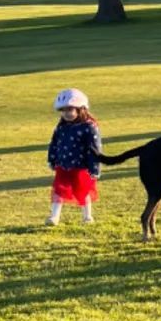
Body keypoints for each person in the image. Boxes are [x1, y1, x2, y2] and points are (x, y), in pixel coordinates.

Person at [46, 88, 102, 224]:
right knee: (59, 190)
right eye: (64, 110)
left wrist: (94, 167)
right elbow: (54, 143)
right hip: (63, 166)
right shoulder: (61, 127)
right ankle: (54, 216)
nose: (67, 113)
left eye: (70, 109)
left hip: (81, 167)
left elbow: (95, 148)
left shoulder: (89, 127)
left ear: (81, 109)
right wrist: (52, 159)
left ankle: (87, 216)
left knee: (82, 192)